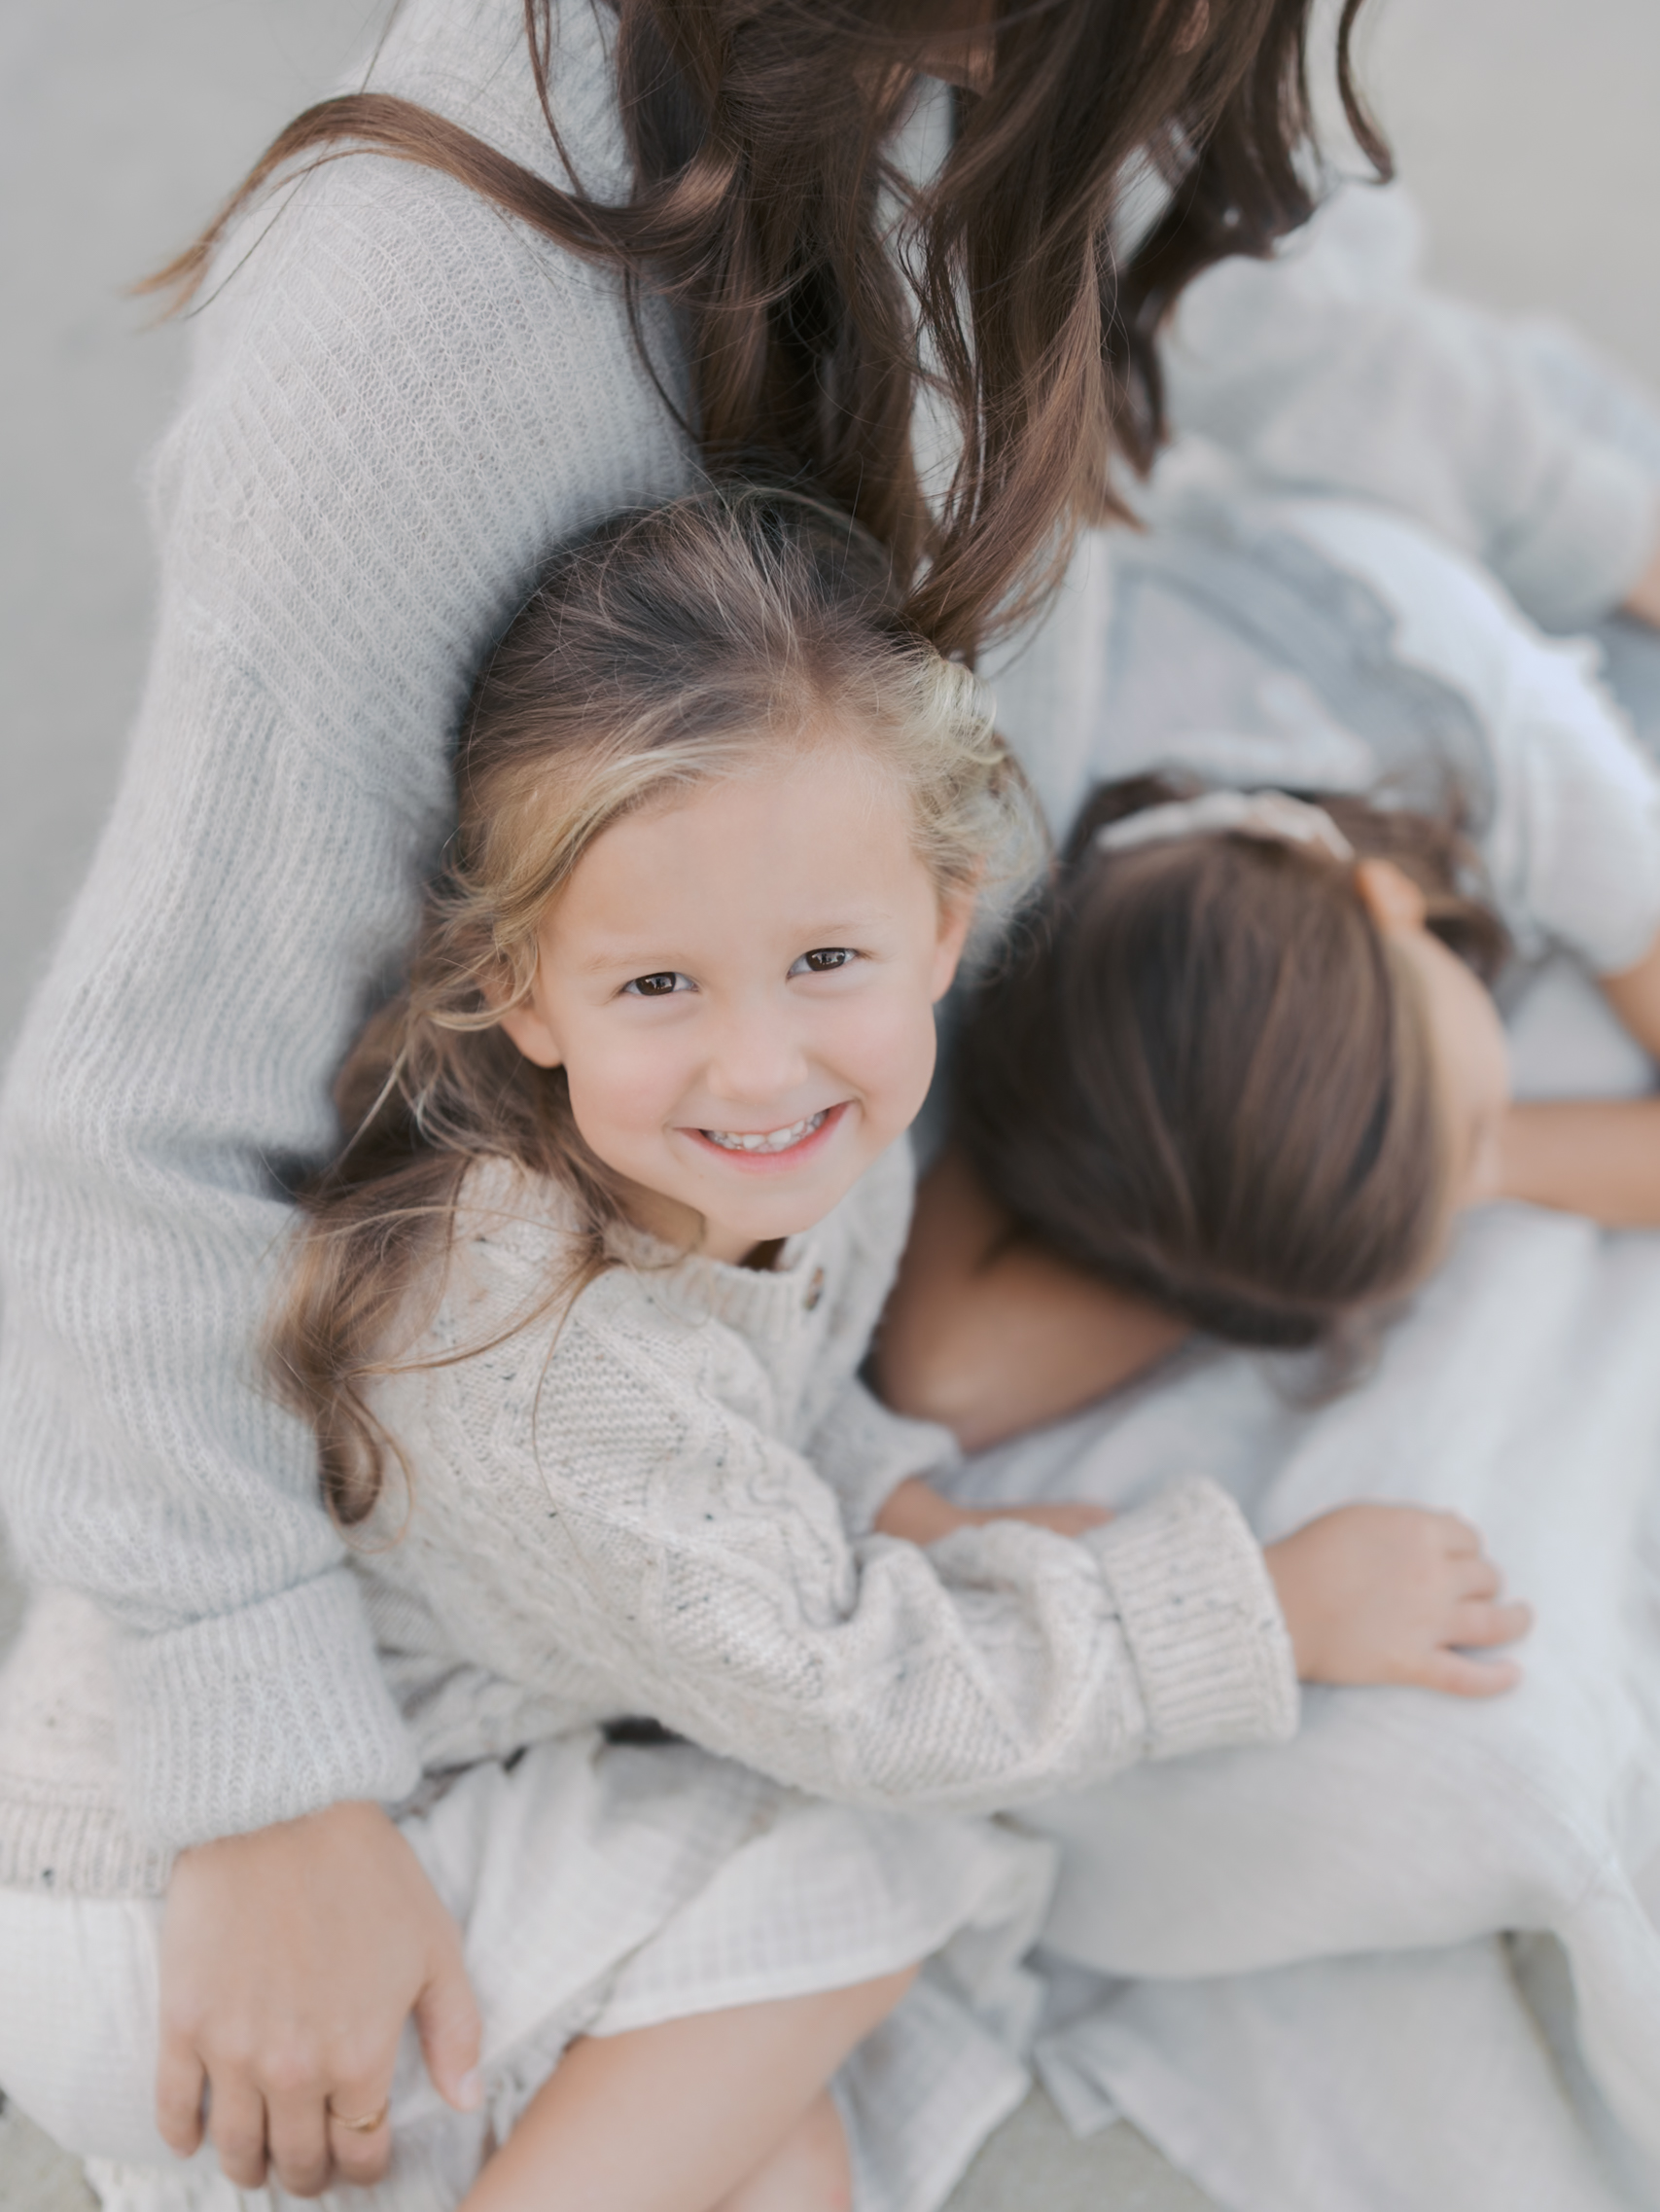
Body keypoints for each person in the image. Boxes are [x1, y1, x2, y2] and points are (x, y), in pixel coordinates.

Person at [0, 0, 1400, 2187]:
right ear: (520, 993)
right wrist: (267, 1781)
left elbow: (1325, 327)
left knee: (800, 2151)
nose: (762, 1059)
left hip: (554, 1659)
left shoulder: (1000, 107)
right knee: (871, 1871)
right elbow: (133, 1134)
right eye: (661, 983)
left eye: (835, 962)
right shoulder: (423, 325)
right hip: (234, 1830)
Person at [880, 486, 1660, 1449]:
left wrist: (1432, 1171)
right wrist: (1277, 1223)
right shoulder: (1011, 946)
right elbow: (942, 1374)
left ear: (1388, 898)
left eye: (1472, 1124)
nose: (1466, 1159)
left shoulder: (1486, 722)